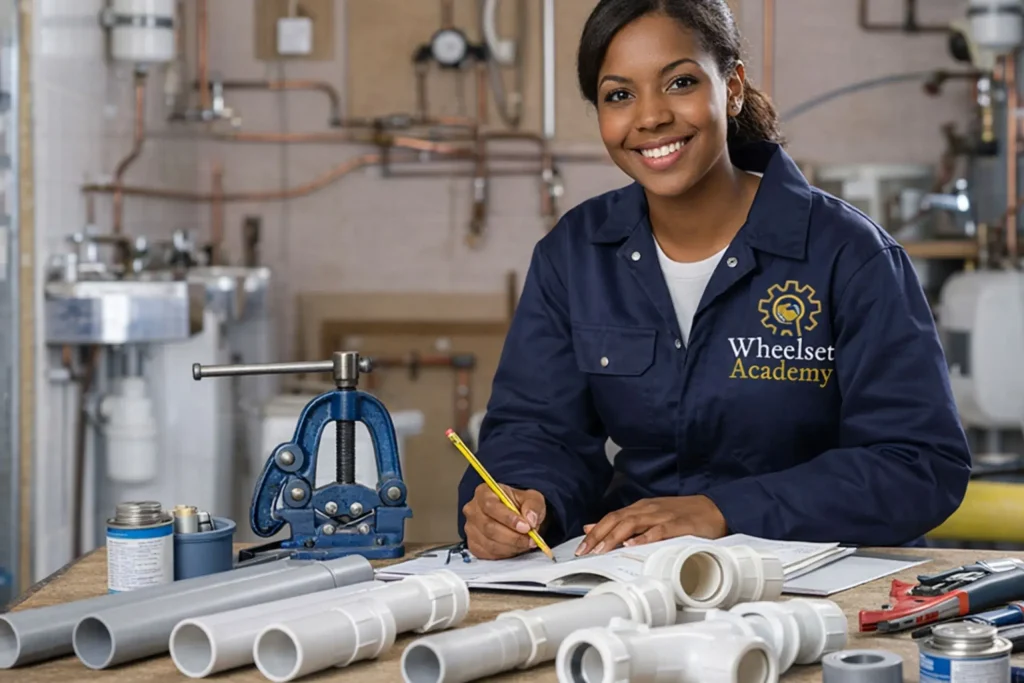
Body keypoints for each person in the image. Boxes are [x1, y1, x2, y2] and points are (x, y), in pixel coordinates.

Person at [457, 0, 971, 560]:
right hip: (638, 583)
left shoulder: (847, 253)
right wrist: (524, 499)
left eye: (679, 82)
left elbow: (919, 464)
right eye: (619, 95)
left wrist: (724, 510)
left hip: (820, 589)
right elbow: (536, 430)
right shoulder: (576, 253)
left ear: (732, 88)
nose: (649, 117)